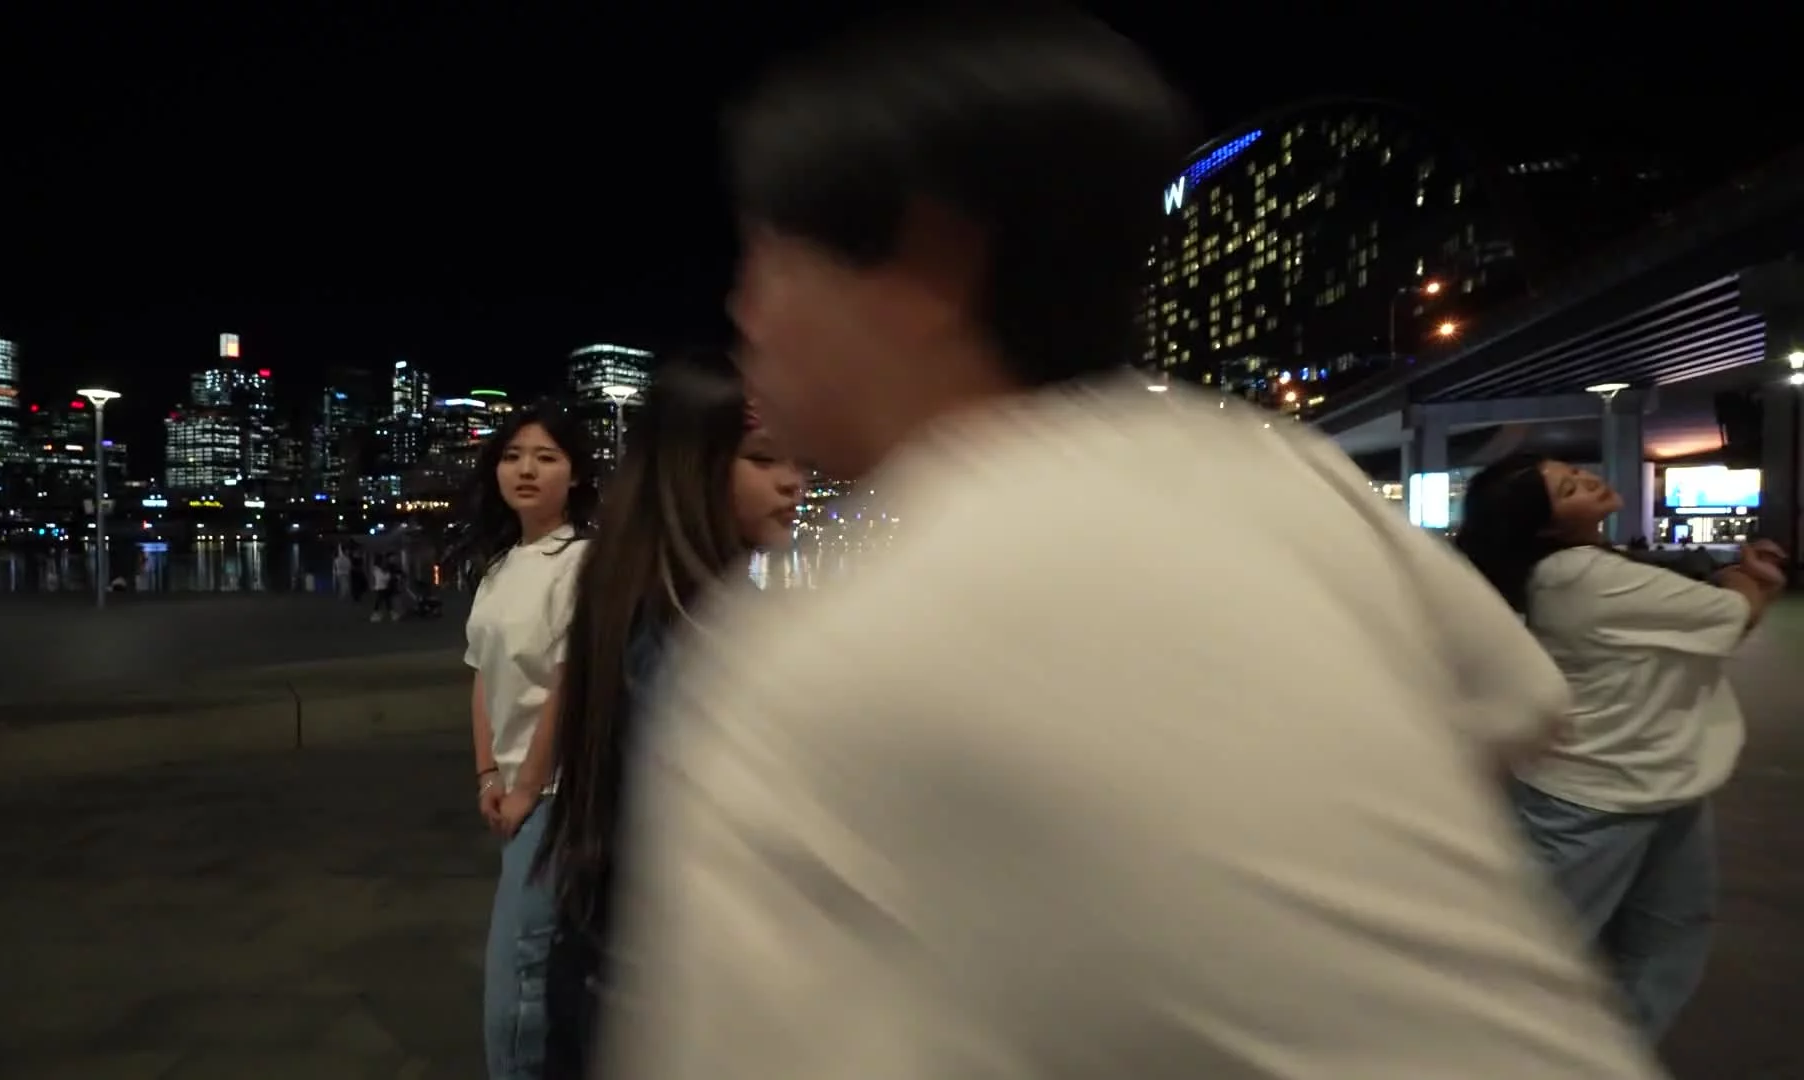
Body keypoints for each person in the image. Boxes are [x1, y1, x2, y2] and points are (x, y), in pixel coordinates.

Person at [595, 10, 1670, 1080]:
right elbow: (1523, 698)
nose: (746, 311)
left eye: (769, 258)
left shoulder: (813, 658)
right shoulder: (1270, 469)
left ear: (924, 267)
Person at [533, 350, 803, 1079]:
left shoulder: (636, 598)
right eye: (763, 458)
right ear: (694, 470)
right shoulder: (690, 632)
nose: (793, 480)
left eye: (796, 459)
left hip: (603, 959)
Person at [1455, 452, 1787, 1041]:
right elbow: (1735, 614)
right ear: (1545, 527)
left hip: (1660, 780)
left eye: (1574, 473)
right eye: (1568, 490)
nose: (1587, 479)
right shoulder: (1581, 576)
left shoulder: (1582, 569)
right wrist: (1749, 576)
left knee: (1664, 938)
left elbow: (1680, 608)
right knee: (1552, 952)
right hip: (1592, 798)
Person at [460, 402, 598, 1080]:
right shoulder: (499, 568)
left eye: (546, 457)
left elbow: (569, 686)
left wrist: (526, 788)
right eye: (513, 456)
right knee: (544, 959)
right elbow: (481, 676)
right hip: (517, 791)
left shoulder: (581, 561)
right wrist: (488, 775)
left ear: (574, 475)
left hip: (557, 795)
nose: (526, 470)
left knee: (518, 973)